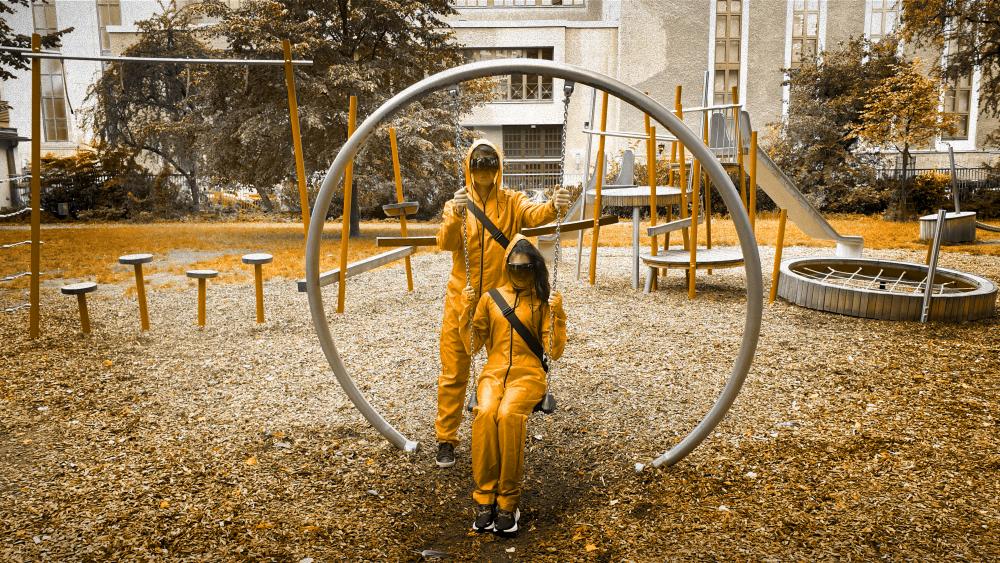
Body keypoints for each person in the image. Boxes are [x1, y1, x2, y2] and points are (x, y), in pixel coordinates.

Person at [434, 139, 570, 468]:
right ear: (469, 166)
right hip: (462, 298)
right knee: (454, 370)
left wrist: (554, 205)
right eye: (478, 164)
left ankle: (498, 422)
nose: (484, 170)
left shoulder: (510, 201)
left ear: (499, 167)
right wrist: (454, 214)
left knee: (502, 365)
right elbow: (445, 243)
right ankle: (446, 438)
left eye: (490, 164)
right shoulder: (459, 202)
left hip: (499, 301)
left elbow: (533, 215)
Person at [460, 235, 567, 535]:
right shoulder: (490, 299)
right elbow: (471, 345)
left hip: (528, 375)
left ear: (534, 268)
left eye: (525, 268)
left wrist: (558, 314)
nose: (519, 273)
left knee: (508, 416)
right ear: (507, 267)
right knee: (485, 413)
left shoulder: (541, 302)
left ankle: (507, 502)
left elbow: (554, 350)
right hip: (493, 373)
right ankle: (485, 500)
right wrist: (465, 310)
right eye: (514, 268)